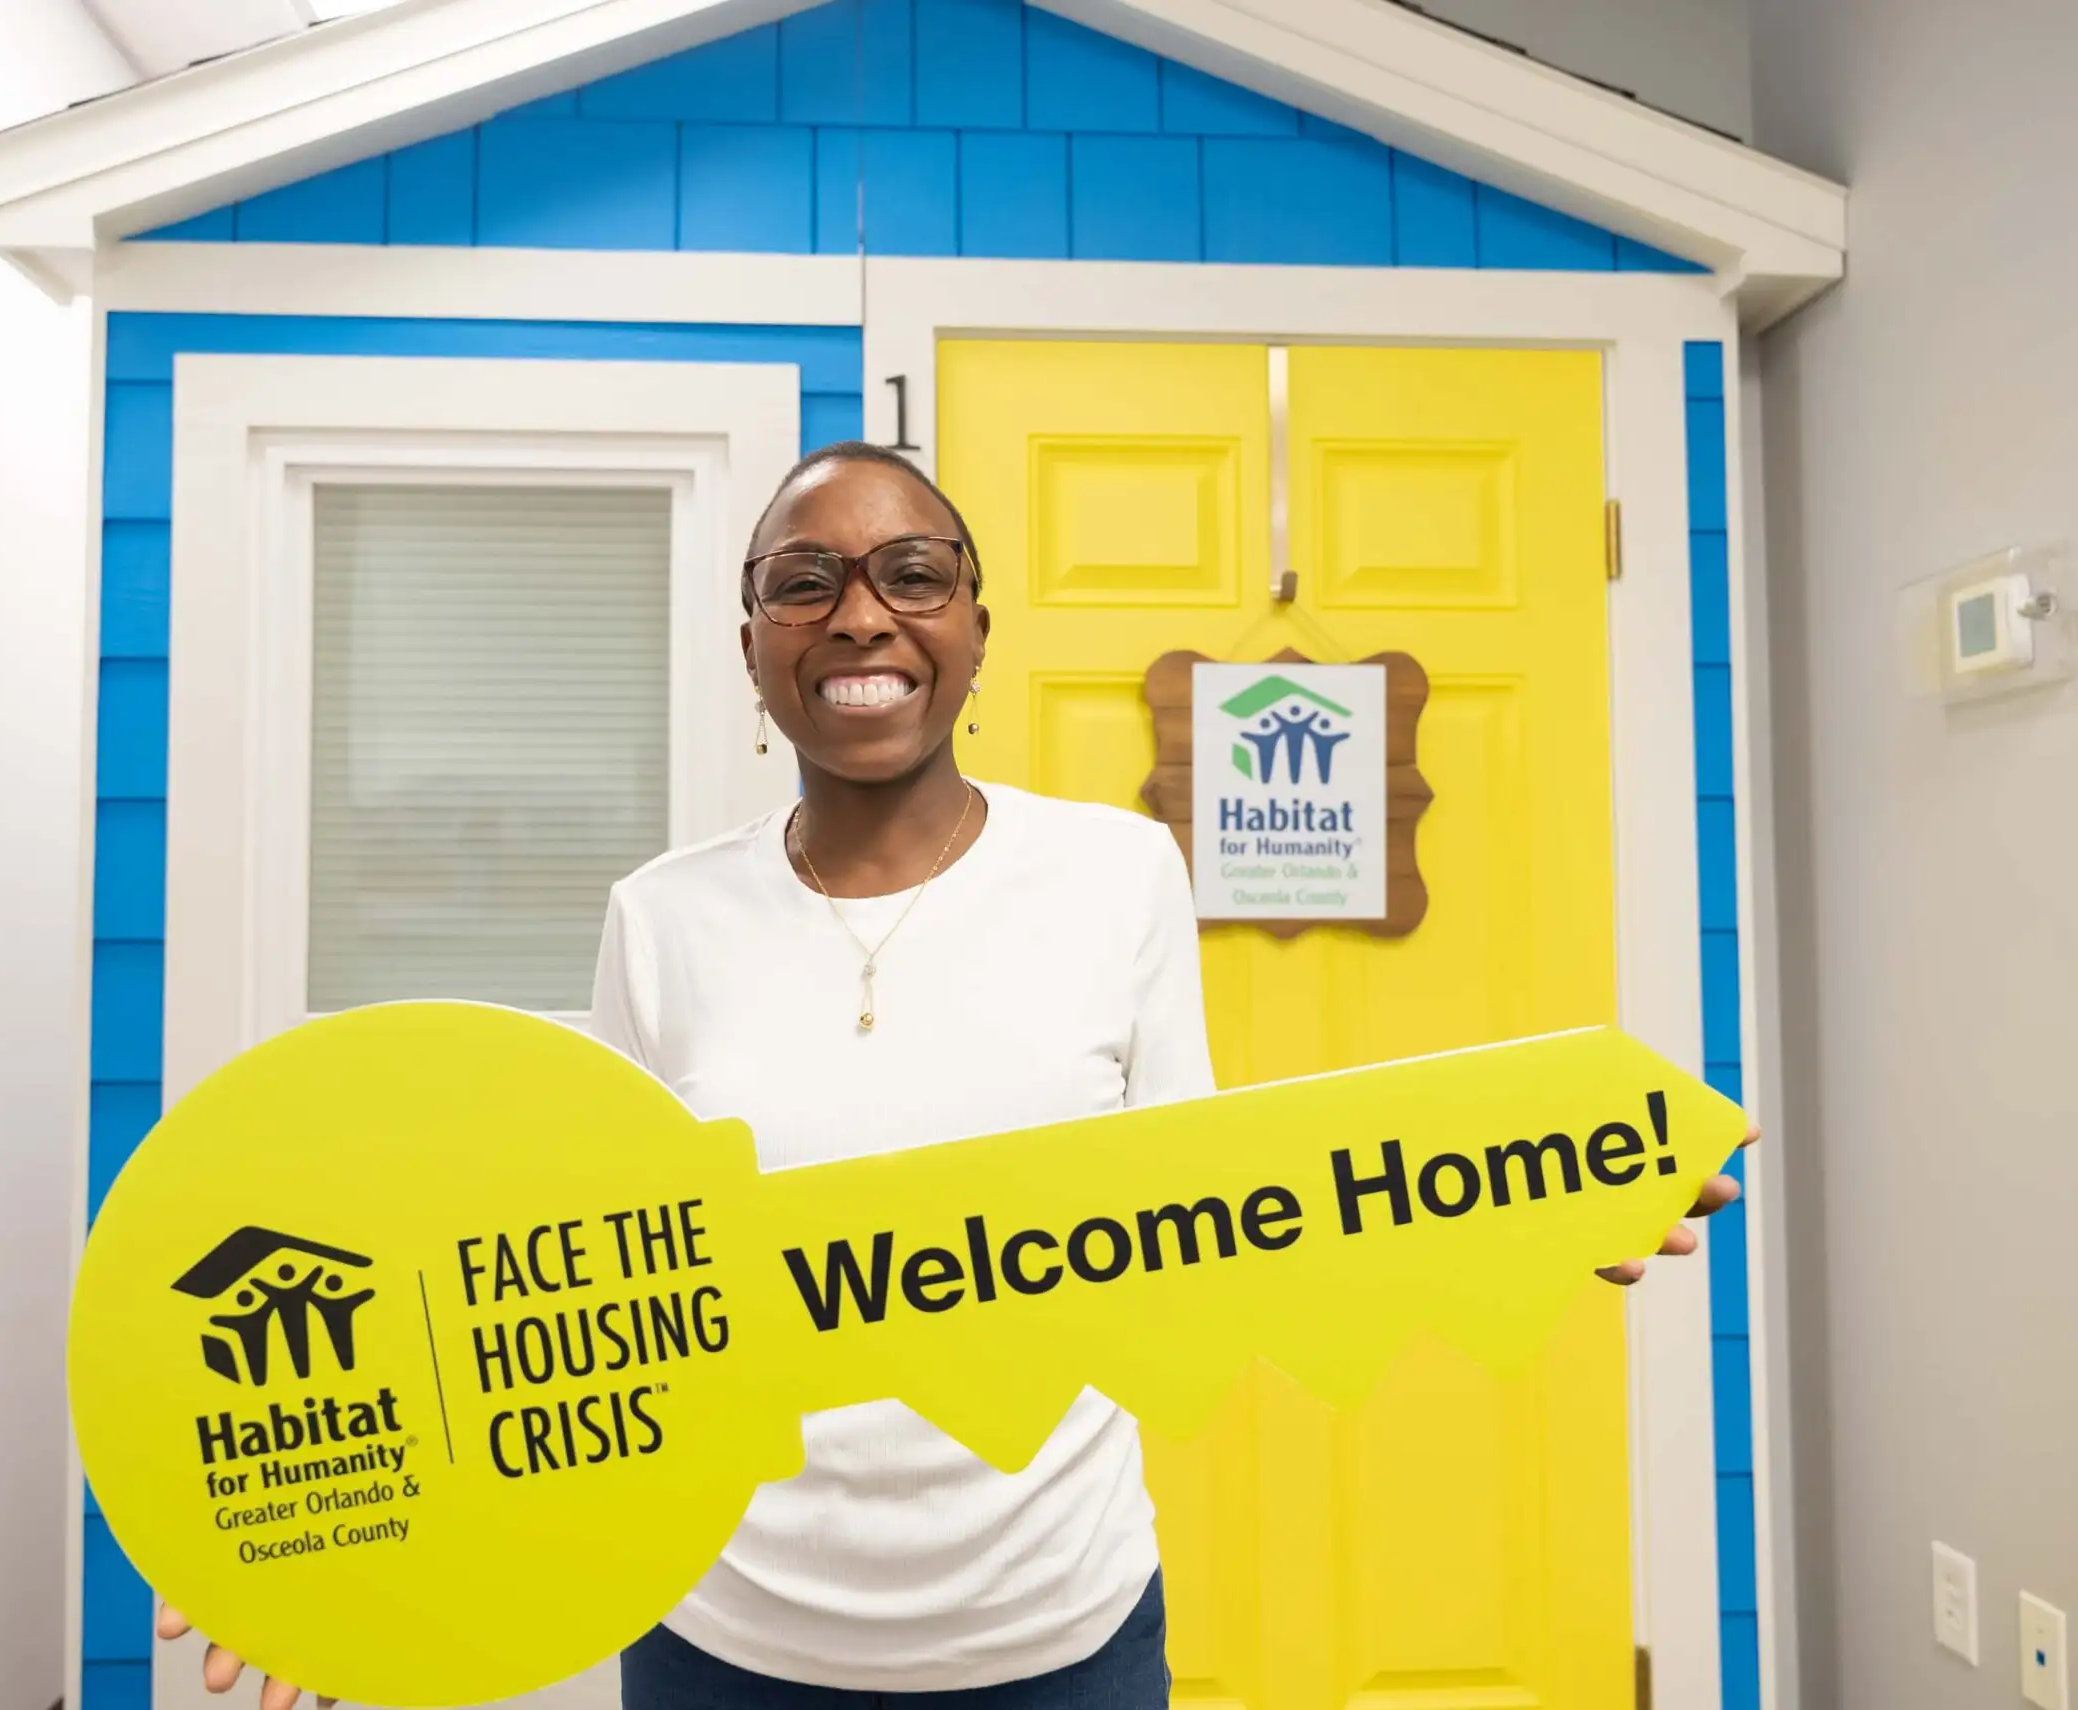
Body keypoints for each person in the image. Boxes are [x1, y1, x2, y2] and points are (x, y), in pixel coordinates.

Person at [162, 441, 1753, 1709]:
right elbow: (578, 1294)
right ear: (755, 646)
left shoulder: (1118, 874)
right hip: (723, 1644)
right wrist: (326, 1551)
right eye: (807, 581)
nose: (861, 614)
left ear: (976, 630)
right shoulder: (660, 918)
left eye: (911, 573)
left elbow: (1209, 1221)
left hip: (1055, 1636)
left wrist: (1506, 1206)